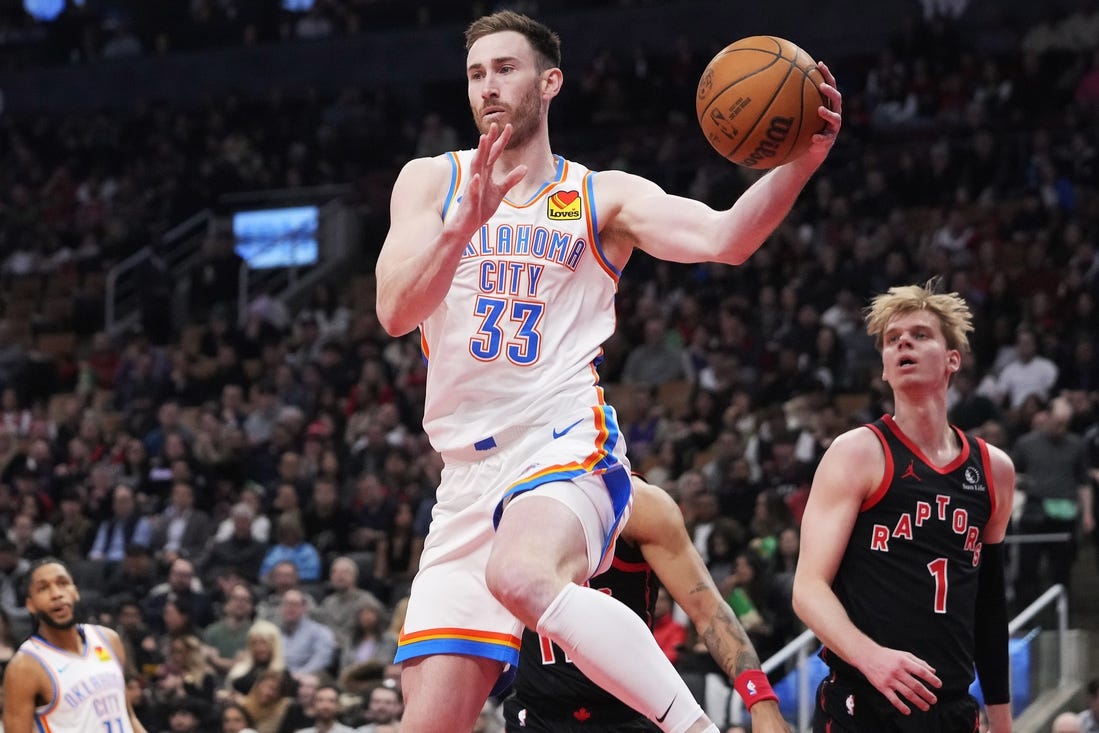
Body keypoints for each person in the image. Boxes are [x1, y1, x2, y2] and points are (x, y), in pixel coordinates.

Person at [374, 11, 841, 732]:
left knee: (522, 573)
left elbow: (725, 239)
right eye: (475, 74)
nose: (488, 87)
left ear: (549, 81)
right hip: (463, 477)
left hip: (563, 444)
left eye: (505, 69)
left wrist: (799, 162)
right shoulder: (430, 183)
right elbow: (396, 311)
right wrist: (459, 229)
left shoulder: (602, 196)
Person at [792, 281, 1016, 732]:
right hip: (863, 701)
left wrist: (1003, 720)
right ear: (884, 368)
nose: (903, 344)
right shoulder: (857, 452)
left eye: (920, 334)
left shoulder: (994, 470)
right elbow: (808, 590)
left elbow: (989, 607)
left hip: (951, 707)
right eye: (893, 340)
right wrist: (870, 657)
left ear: (952, 359)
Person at [504, 476, 790, 731]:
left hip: (627, 710)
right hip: (538, 713)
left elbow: (707, 610)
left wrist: (761, 701)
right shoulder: (507, 500)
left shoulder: (641, 505)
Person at [2, 557, 150, 732]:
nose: (56, 593)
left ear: (75, 591)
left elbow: (128, 716)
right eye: (43, 588)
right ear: (30, 604)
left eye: (63, 583)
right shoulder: (25, 666)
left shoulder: (108, 639)